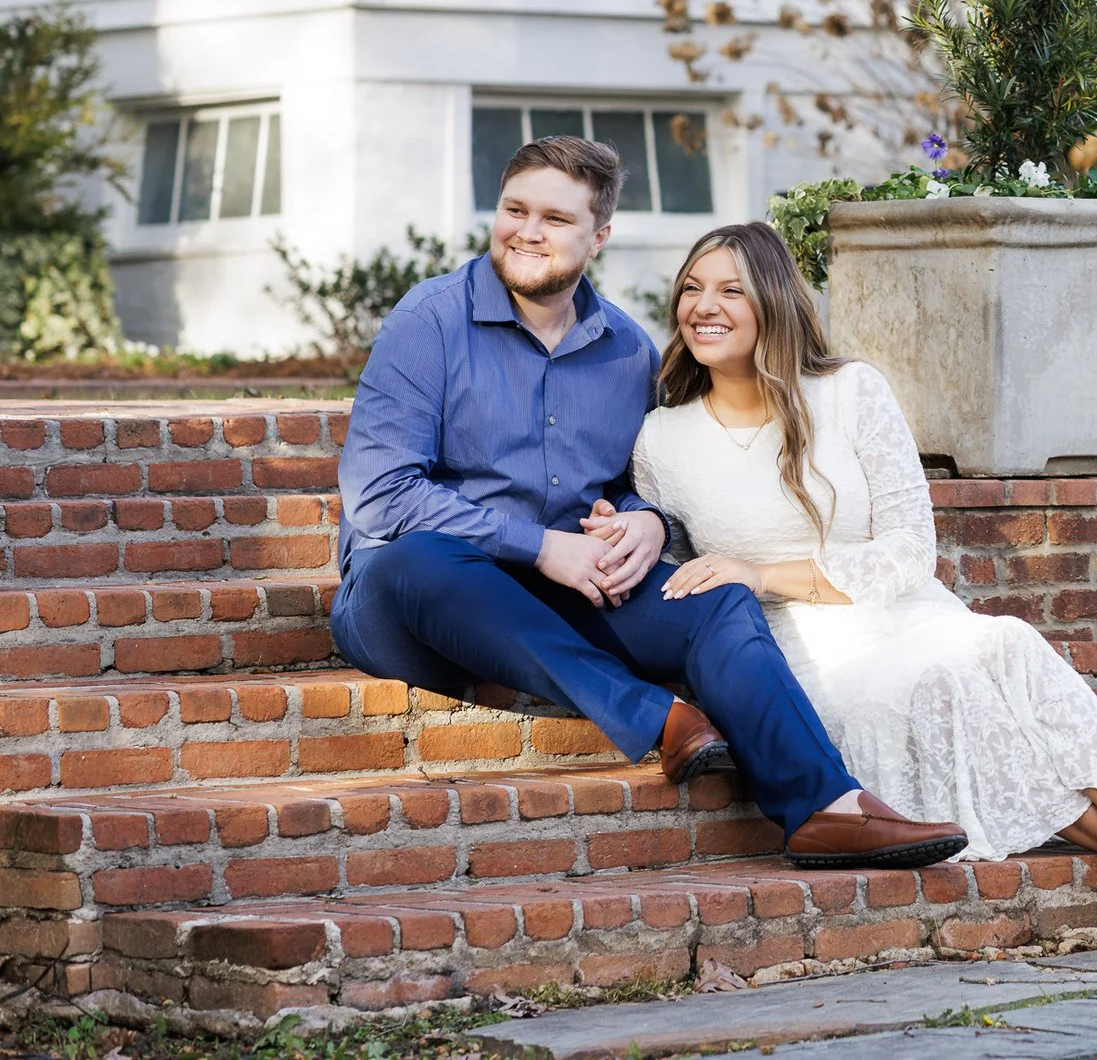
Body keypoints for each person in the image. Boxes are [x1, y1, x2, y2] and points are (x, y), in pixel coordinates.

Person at [629, 221, 1097, 958]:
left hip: (905, 609)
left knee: (1004, 639)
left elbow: (912, 550)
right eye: (692, 288)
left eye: (730, 288)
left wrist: (763, 568)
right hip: (801, 648)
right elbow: (676, 566)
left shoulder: (851, 390)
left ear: (774, 300)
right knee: (957, 682)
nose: (704, 305)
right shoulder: (663, 439)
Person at [330, 134, 968, 870]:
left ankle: (825, 806)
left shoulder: (626, 352)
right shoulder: (429, 322)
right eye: (514, 209)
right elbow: (382, 497)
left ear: (599, 237)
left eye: (555, 219)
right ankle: (658, 715)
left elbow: (629, 482)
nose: (527, 231)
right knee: (420, 556)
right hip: (407, 602)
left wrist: (643, 518)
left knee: (718, 597)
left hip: (556, 592)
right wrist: (543, 545)